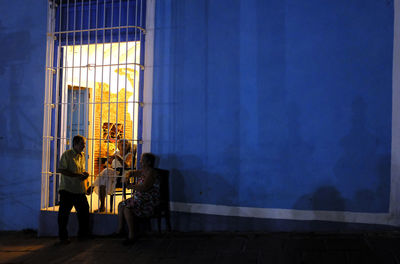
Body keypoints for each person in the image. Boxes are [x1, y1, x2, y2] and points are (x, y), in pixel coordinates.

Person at [117, 153, 160, 244]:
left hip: (148, 201)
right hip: (140, 198)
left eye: (142, 160)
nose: (140, 162)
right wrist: (127, 176)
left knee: (127, 209)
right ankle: (120, 230)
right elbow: (131, 172)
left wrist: (131, 186)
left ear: (148, 162)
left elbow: (144, 187)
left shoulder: (151, 173)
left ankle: (132, 235)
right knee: (121, 205)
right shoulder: (143, 171)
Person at [56, 135, 90, 244]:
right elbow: (61, 170)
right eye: (82, 144)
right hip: (67, 189)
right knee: (64, 215)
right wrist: (76, 175)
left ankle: (83, 235)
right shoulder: (67, 155)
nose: (84, 146)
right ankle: (63, 238)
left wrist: (85, 174)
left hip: (79, 189)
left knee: (84, 211)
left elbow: (81, 170)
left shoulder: (82, 156)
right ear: (75, 144)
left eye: (84, 144)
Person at [89, 140, 136, 213]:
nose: (123, 146)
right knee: (102, 183)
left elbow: (127, 165)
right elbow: (107, 163)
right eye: (121, 144)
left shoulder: (130, 155)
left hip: (121, 175)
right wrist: (109, 164)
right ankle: (102, 206)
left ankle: (92, 186)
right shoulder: (115, 153)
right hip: (112, 173)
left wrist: (119, 159)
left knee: (105, 172)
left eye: (125, 144)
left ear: (128, 146)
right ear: (118, 146)